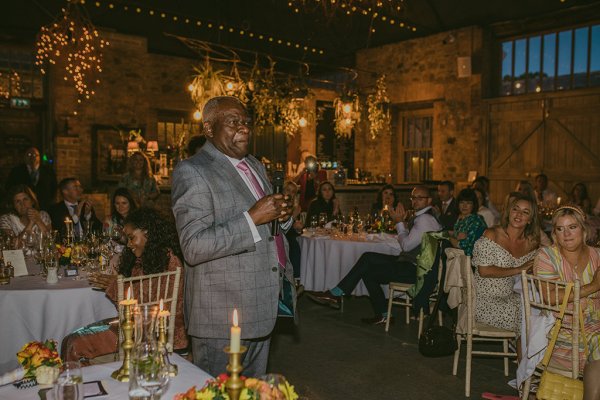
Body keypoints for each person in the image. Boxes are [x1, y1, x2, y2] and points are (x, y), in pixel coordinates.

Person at [171, 96, 296, 377]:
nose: (244, 128)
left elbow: (268, 223)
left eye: (246, 122)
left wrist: (283, 217)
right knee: (217, 393)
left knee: (252, 392)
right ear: (209, 128)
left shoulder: (254, 165)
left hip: (262, 306)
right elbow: (193, 246)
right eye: (232, 122)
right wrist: (252, 218)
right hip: (222, 315)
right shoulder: (192, 171)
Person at [62, 208, 189, 363]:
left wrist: (116, 286)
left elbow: (152, 304)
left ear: (147, 232)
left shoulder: (169, 261)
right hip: (137, 326)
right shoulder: (146, 258)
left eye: (131, 238)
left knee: (73, 344)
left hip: (152, 333)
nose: (128, 244)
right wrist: (118, 283)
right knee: (71, 339)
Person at [309, 186, 442, 324]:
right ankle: (373, 309)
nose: (415, 201)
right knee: (368, 261)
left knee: (368, 266)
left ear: (429, 200)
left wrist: (399, 223)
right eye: (413, 198)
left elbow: (406, 245)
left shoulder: (425, 219)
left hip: (417, 270)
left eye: (420, 198)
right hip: (413, 264)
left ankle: (338, 294)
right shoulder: (425, 217)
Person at [534, 205, 600, 399]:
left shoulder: (597, 255)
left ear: (583, 229)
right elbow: (551, 297)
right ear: (554, 233)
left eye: (572, 227)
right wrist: (594, 286)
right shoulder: (547, 257)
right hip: (564, 330)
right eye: (560, 229)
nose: (567, 234)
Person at [472, 194, 542, 352]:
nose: (518, 214)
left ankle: (529, 365)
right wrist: (519, 268)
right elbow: (484, 271)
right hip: (484, 300)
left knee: (539, 312)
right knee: (526, 315)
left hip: (510, 297)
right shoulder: (492, 234)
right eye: (515, 209)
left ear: (531, 219)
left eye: (525, 212)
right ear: (509, 212)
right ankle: (525, 372)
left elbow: (548, 254)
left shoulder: (531, 242)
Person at [448, 189, 486, 256]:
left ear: (474, 205)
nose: (464, 206)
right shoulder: (461, 219)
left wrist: (447, 237)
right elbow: (458, 236)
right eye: (462, 202)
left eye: (468, 203)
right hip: (459, 258)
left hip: (473, 261)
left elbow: (462, 245)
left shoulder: (476, 220)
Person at [284, 181, 303, 282]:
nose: (290, 193)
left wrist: (298, 228)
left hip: (291, 234)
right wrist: (294, 216)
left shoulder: (295, 206)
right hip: (281, 235)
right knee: (293, 243)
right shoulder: (278, 204)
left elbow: (295, 227)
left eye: (293, 192)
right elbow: (281, 228)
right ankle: (296, 276)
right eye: (288, 190)